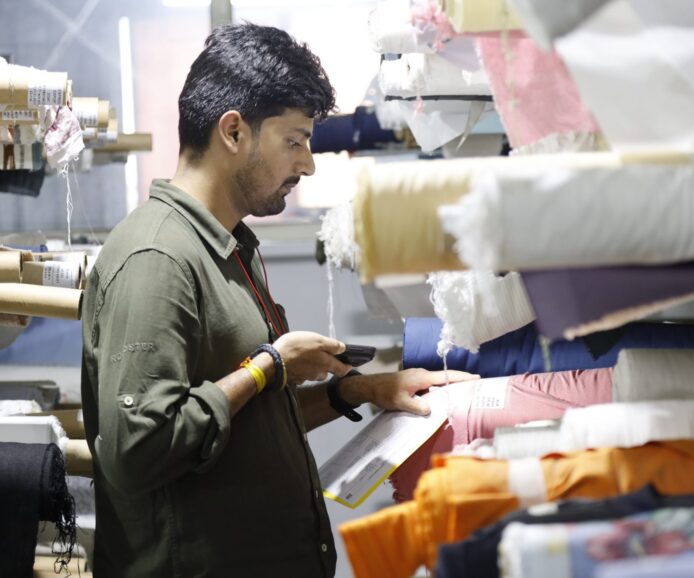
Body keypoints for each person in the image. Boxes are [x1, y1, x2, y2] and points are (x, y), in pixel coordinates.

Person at [80, 22, 476, 578]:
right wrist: (269, 367)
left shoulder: (225, 248)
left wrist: (358, 390)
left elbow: (241, 424)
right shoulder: (158, 258)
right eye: (294, 141)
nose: (308, 164)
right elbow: (140, 448)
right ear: (234, 131)